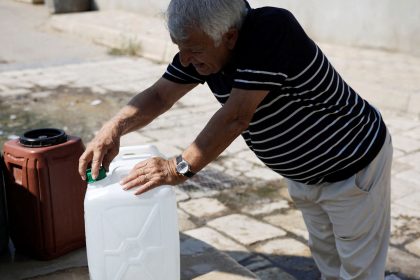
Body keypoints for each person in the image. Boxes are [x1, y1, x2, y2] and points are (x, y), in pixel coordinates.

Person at [78, 0, 393, 279]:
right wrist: (114, 127)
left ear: (229, 37)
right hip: (306, 177)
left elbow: (235, 117)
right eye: (179, 48)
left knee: (359, 271)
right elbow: (161, 95)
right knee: (329, 262)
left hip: (353, 167)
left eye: (193, 50)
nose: (185, 60)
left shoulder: (271, 30)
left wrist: (177, 168)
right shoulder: (205, 47)